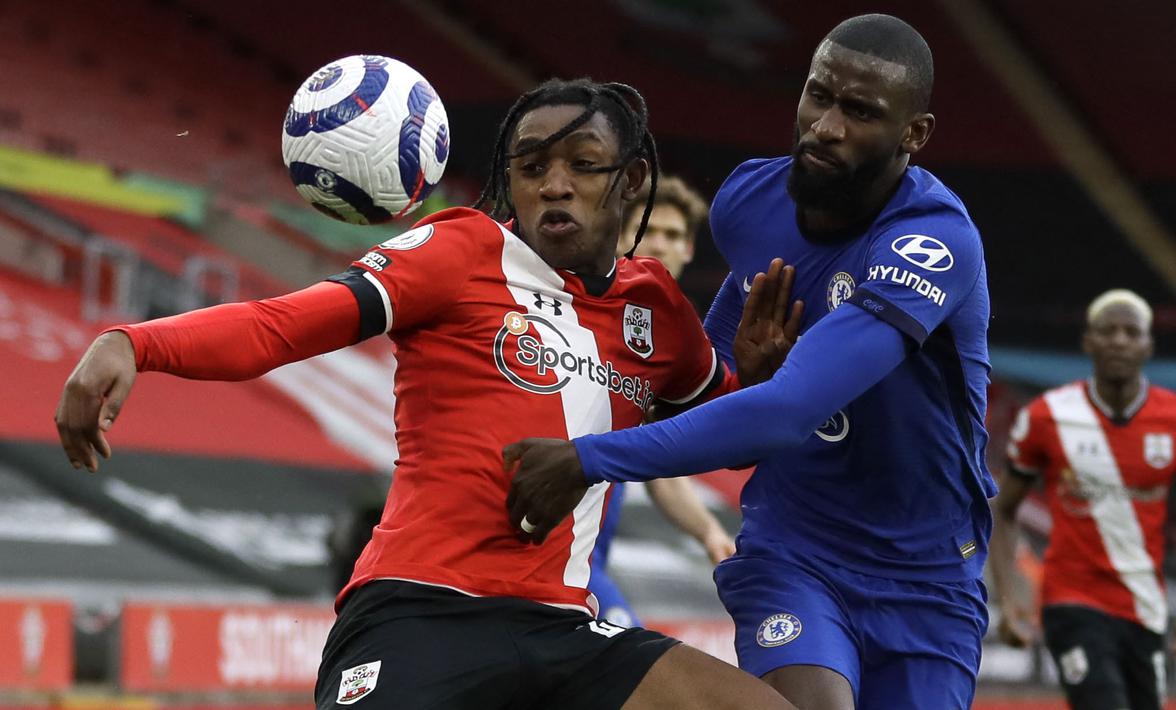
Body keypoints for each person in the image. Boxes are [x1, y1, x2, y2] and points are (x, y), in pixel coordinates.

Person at [55, 78, 800, 710]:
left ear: (632, 180)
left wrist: (760, 382)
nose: (554, 183)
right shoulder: (461, 250)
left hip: (564, 631)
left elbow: (710, 426)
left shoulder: (656, 310)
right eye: (531, 165)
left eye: (582, 163)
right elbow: (284, 325)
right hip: (421, 612)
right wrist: (136, 342)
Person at [505, 14, 994, 710]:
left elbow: (789, 412)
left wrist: (589, 457)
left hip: (927, 575)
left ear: (913, 135)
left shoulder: (932, 245)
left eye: (859, 112)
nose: (825, 126)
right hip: (795, 546)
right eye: (817, 95)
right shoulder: (747, 202)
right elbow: (724, 397)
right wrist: (744, 376)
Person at [988, 289, 1176, 710]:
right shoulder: (1047, 416)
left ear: (1148, 344)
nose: (1118, 340)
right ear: (1088, 342)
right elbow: (1004, 511)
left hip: (1145, 607)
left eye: (1131, 332)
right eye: (1107, 331)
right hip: (1071, 603)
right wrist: (1010, 598)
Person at [593, 176, 735, 626]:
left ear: (689, 249)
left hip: (585, 560)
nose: (659, 243)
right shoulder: (577, 307)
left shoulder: (676, 343)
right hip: (539, 551)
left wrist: (710, 532)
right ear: (620, 238)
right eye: (648, 230)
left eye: (673, 235)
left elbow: (661, 467)